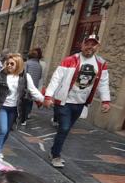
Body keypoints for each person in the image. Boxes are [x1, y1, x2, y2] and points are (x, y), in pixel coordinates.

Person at [44, 34, 110, 168]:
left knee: (66, 130)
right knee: (64, 127)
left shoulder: (101, 64)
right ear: (82, 45)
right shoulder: (70, 60)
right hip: (64, 102)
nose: (90, 47)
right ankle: (55, 155)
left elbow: (103, 83)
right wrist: (48, 96)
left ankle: (54, 150)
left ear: (97, 46)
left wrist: (105, 101)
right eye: (87, 44)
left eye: (93, 44)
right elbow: (56, 78)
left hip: (80, 103)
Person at [0, 53, 44, 162]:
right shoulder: (1, 75)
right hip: (2, 107)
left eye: (12, 64)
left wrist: (44, 99)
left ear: (18, 64)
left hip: (14, 109)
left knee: (7, 131)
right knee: (2, 130)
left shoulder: (25, 77)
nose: (9, 65)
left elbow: (33, 90)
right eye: (7, 63)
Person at [20, 48, 44, 126]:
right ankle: (27, 115)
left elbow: (24, 75)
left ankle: (23, 118)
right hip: (34, 86)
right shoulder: (40, 66)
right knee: (30, 102)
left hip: (26, 86)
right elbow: (40, 77)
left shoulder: (26, 63)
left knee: (24, 103)